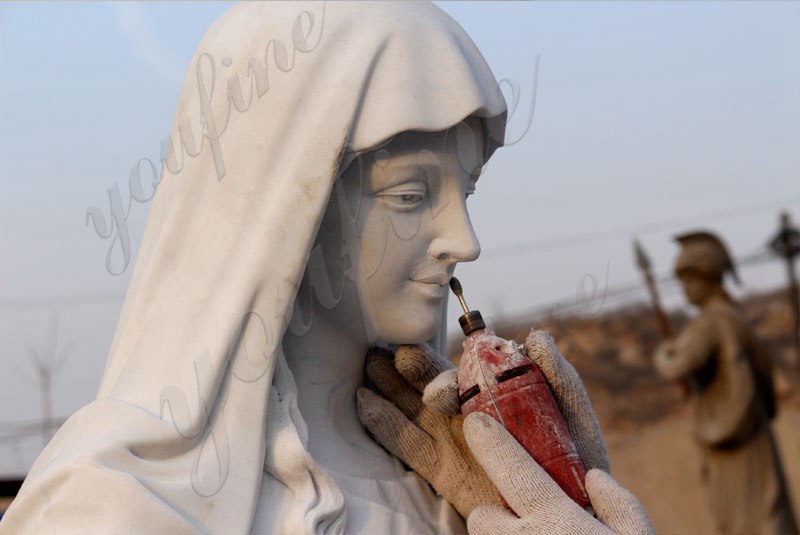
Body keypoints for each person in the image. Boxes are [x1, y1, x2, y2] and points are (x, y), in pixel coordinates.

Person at [1, 2, 650, 533]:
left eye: (468, 191)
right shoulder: (114, 503)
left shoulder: (460, 495)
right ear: (289, 213)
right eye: (411, 194)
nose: (466, 240)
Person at [655, 230, 797, 535]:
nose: (685, 290)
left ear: (707, 277)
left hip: (735, 439)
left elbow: (680, 365)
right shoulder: (732, 316)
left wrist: (664, 354)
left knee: (752, 516)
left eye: (688, 280)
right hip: (750, 435)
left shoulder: (713, 321)